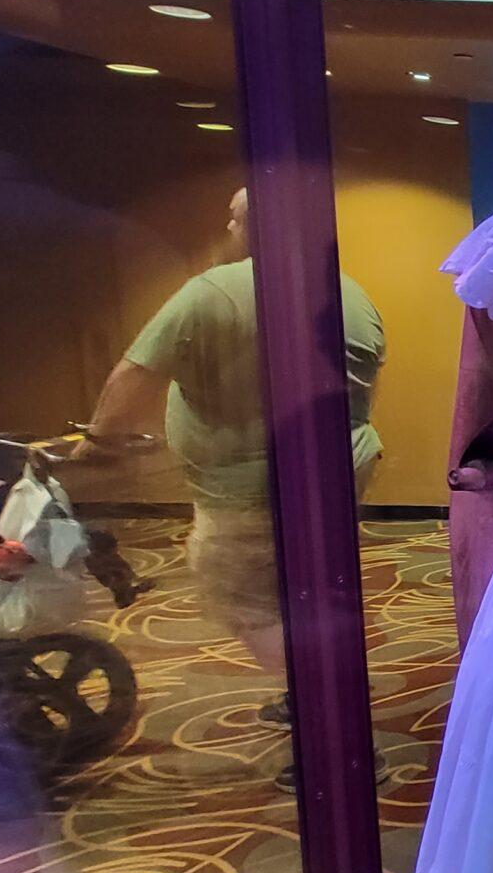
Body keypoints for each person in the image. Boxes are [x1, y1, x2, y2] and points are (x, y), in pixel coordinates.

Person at [86, 188, 384, 784]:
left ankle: (331, 729)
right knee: (309, 597)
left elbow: (133, 376)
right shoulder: (348, 290)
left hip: (251, 494)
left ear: (254, 226)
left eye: (234, 218)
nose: (227, 227)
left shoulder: (214, 292)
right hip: (335, 475)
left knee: (250, 608)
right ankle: (319, 700)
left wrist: (96, 444)